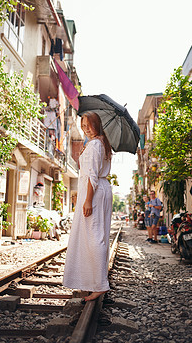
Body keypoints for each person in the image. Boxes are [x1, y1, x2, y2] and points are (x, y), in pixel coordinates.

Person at [63, 111, 113, 301]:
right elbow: (92, 170)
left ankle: (100, 284)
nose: (85, 129)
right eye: (83, 126)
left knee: (94, 236)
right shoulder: (100, 144)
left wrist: (87, 200)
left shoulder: (95, 145)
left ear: (96, 124)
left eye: (88, 125)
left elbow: (92, 175)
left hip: (94, 191)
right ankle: (95, 281)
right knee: (95, 235)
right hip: (100, 189)